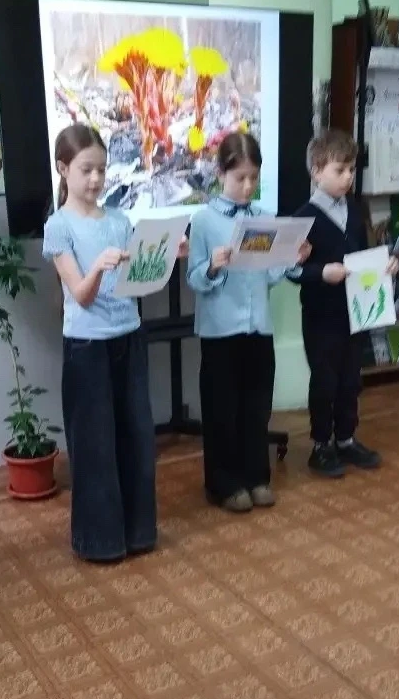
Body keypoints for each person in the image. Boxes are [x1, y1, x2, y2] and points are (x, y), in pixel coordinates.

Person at [43, 123, 185, 561]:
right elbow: (80, 295)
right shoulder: (58, 226)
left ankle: (139, 532)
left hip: (128, 337)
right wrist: (99, 267)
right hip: (87, 348)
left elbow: (140, 282)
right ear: (63, 169)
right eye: (86, 170)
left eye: (102, 170)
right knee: (95, 446)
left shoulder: (121, 221)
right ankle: (100, 541)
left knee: (137, 439)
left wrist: (166, 256)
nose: (96, 179)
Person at [187, 132, 309, 513]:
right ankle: (223, 483)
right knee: (222, 409)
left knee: (256, 406)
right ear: (220, 173)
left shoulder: (264, 218)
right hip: (220, 330)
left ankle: (257, 477)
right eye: (240, 177)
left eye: (254, 177)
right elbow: (194, 279)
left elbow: (269, 275)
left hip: (259, 327)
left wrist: (292, 259)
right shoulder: (203, 220)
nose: (247, 186)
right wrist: (213, 266)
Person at [290, 128, 397, 478]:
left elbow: (364, 255)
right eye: (340, 170)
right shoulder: (302, 217)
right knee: (325, 381)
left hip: (356, 312)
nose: (348, 176)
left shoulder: (354, 208)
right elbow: (291, 270)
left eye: (351, 169)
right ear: (316, 171)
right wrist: (322, 272)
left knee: (351, 380)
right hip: (321, 317)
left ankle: (346, 439)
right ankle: (321, 445)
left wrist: (384, 266)